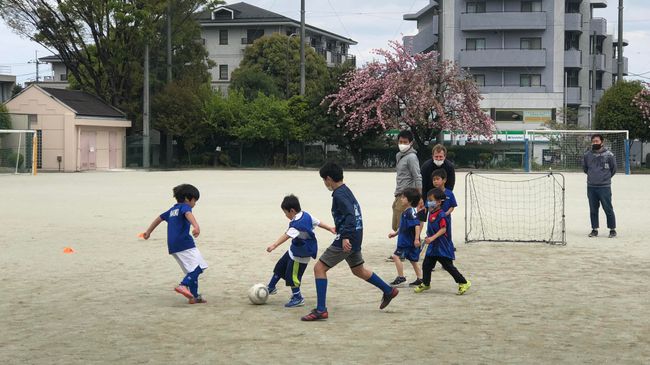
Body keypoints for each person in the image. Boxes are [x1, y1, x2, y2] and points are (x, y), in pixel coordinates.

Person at [301, 162, 399, 321]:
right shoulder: (345, 190)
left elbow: (350, 216)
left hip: (347, 238)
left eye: (324, 180)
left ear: (329, 179)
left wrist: (345, 236)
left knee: (319, 268)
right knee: (358, 270)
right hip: (355, 235)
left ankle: (321, 310)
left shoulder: (339, 195)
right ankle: (388, 290)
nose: (325, 184)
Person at [266, 194, 336, 308]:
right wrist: (330, 228)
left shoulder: (297, 225)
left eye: (286, 213)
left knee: (292, 277)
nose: (285, 215)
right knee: (280, 267)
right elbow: (318, 222)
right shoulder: (306, 215)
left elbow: (287, 235)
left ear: (292, 211)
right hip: (294, 250)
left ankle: (298, 298)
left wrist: (274, 245)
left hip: (301, 255)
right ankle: (271, 287)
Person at [142, 184, 208, 304]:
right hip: (185, 243)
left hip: (173, 245)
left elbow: (159, 218)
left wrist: (148, 232)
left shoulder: (172, 210)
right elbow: (188, 214)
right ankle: (183, 285)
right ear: (188, 199)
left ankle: (194, 296)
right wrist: (196, 226)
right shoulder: (185, 207)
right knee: (200, 266)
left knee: (191, 271)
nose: (195, 203)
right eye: (195, 200)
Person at [415, 188, 471, 295]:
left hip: (441, 246)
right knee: (426, 265)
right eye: (428, 200)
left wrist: (432, 238)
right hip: (432, 246)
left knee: (448, 266)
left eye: (431, 200)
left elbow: (443, 229)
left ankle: (464, 282)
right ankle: (426, 283)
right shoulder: (431, 212)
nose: (429, 202)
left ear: (439, 202)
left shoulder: (441, 215)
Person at [386, 130, 422, 262]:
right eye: (400, 142)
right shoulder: (399, 155)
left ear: (411, 143)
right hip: (398, 193)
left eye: (405, 142)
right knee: (397, 224)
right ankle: (412, 243)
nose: (402, 144)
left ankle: (401, 251)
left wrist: (419, 197)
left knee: (403, 224)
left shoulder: (412, 157)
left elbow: (417, 176)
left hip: (407, 194)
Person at [583, 134, 617, 238]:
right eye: (593, 141)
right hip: (591, 186)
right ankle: (594, 229)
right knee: (593, 209)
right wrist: (593, 177)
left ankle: (612, 229)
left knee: (608, 208)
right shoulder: (587, 155)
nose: (595, 143)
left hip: (604, 187)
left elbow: (613, 169)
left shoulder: (609, 155)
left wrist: (604, 178)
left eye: (597, 141)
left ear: (602, 142)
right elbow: (585, 168)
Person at [387, 188, 423, 287]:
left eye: (403, 197)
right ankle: (420, 278)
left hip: (406, 242)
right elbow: (403, 227)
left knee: (395, 256)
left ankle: (401, 277)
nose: (401, 199)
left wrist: (416, 238)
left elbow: (417, 225)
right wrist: (395, 234)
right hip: (407, 240)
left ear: (410, 200)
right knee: (413, 260)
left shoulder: (410, 212)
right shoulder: (406, 212)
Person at [431, 169, 458, 241]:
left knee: (446, 234)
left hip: (445, 218)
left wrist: (446, 213)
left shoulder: (449, 193)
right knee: (433, 233)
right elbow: (429, 205)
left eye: (437, 179)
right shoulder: (431, 193)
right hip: (434, 218)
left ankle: (448, 248)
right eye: (434, 179)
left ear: (444, 180)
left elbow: (452, 206)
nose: (435, 181)